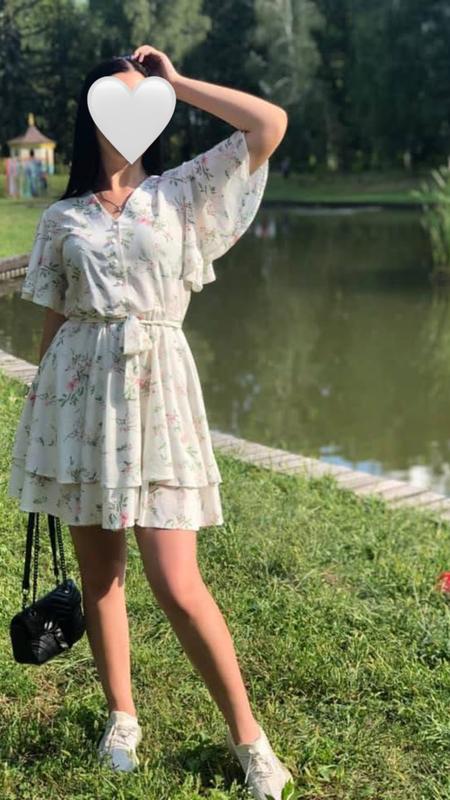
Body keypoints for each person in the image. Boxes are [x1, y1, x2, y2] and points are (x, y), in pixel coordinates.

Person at [8, 44, 292, 799]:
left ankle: (250, 739)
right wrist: (41, 419)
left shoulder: (181, 193)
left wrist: (177, 80)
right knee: (101, 577)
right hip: (77, 402)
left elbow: (267, 124)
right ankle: (121, 718)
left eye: (146, 97)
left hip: (156, 394)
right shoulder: (62, 217)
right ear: (92, 112)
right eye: (121, 94)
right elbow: (55, 319)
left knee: (177, 581)